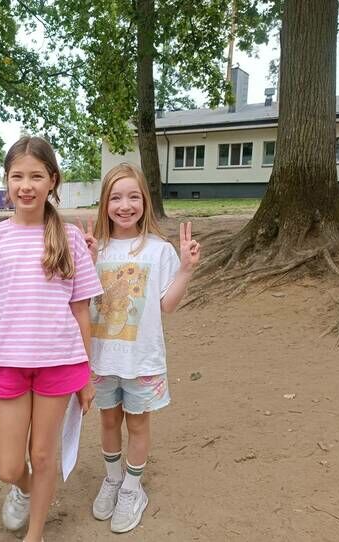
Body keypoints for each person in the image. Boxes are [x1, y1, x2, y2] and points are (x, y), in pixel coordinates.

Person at [0, 136, 103, 542]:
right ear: (6, 180)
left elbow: (81, 311)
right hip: (8, 365)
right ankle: (23, 488)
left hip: (59, 362)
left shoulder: (69, 239)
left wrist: (86, 376)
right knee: (8, 466)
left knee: (42, 454)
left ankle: (35, 534)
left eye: (36, 176)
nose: (26, 186)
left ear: (52, 180)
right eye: (17, 176)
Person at [82, 163, 201, 533]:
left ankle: (133, 489)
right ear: (104, 204)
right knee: (107, 420)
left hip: (142, 360)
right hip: (102, 359)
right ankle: (113, 479)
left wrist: (185, 270)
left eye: (133, 197)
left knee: (137, 423)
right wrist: (86, 262)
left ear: (145, 201)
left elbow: (167, 305)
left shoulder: (159, 250)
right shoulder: (95, 249)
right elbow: (79, 302)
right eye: (116, 198)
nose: (125, 205)